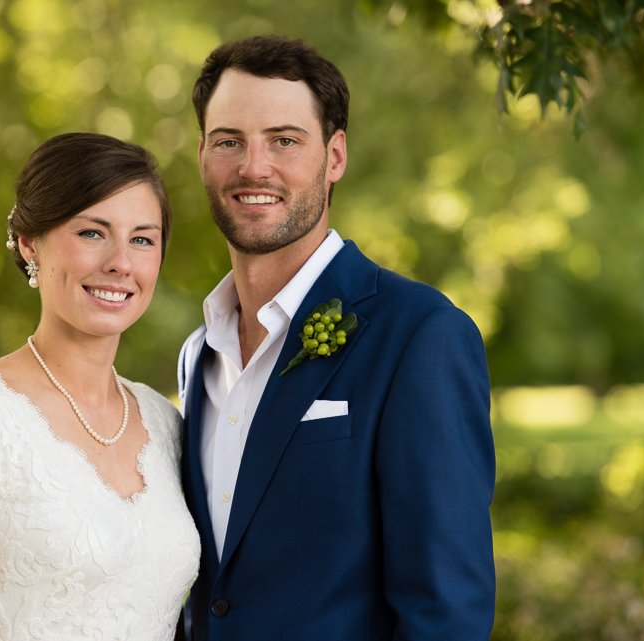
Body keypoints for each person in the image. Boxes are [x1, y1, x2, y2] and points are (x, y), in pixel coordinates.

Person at [177, 35, 496, 640]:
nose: (254, 167)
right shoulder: (198, 355)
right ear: (201, 156)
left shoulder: (420, 336)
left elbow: (446, 615)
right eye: (229, 142)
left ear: (336, 156)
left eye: (285, 140)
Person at [0, 133, 199, 641]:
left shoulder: (166, 422)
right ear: (30, 244)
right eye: (93, 233)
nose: (121, 262)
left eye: (142, 238)